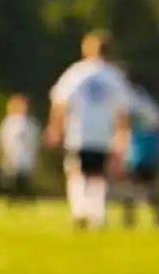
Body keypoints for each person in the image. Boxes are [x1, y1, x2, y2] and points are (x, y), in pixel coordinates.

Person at [46, 30, 132, 229]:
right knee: (98, 175)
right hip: (103, 133)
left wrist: (55, 128)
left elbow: (60, 103)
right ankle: (97, 214)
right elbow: (123, 111)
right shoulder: (115, 76)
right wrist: (123, 135)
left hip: (78, 132)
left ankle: (79, 211)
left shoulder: (75, 73)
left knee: (76, 172)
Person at [120, 77, 159, 228]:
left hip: (138, 151)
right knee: (149, 186)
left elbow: (125, 121)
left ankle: (130, 221)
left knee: (132, 187)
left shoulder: (131, 101)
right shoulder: (148, 102)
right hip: (150, 150)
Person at [0, 94, 41, 206]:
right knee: (12, 181)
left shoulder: (30, 124)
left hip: (26, 158)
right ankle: (13, 200)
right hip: (13, 158)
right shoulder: (9, 123)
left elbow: (34, 141)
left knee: (25, 181)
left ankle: (27, 200)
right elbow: (4, 140)